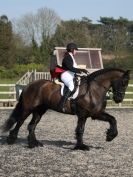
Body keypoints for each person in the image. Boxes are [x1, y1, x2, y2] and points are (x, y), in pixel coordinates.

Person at [60, 42, 88, 112]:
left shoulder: (71, 57)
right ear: (72, 50)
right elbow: (70, 68)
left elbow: (74, 68)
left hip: (71, 74)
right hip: (65, 74)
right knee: (71, 86)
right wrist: (80, 70)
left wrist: (82, 71)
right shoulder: (67, 57)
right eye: (75, 50)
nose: (76, 51)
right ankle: (62, 104)